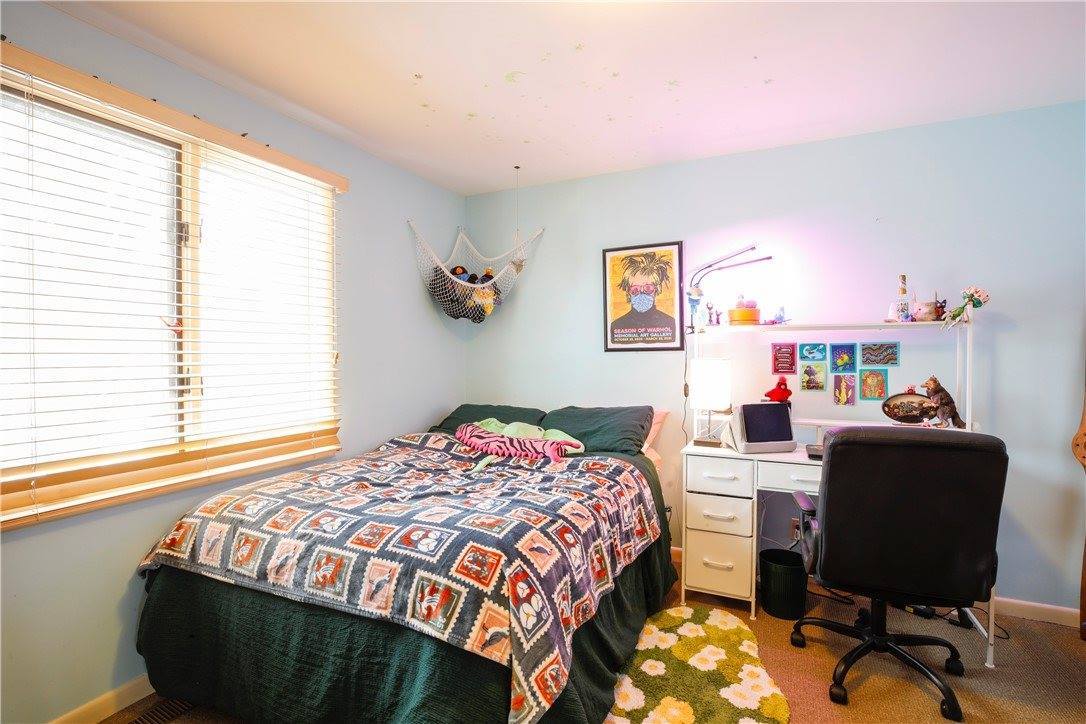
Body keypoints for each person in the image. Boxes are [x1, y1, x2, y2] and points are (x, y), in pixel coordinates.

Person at [610, 251, 676, 344]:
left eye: (647, 288)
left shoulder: (669, 323)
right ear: (628, 292)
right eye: (635, 289)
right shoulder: (617, 326)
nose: (641, 293)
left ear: (656, 289)